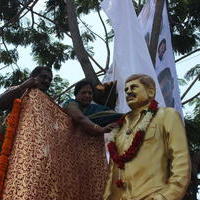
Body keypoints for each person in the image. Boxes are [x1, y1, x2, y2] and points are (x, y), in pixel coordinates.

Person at [103, 74, 190, 200]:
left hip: (153, 196)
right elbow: (113, 169)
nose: (129, 92)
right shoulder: (119, 127)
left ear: (150, 92)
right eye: (126, 90)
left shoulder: (167, 115)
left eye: (134, 87)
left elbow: (180, 159)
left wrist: (167, 196)